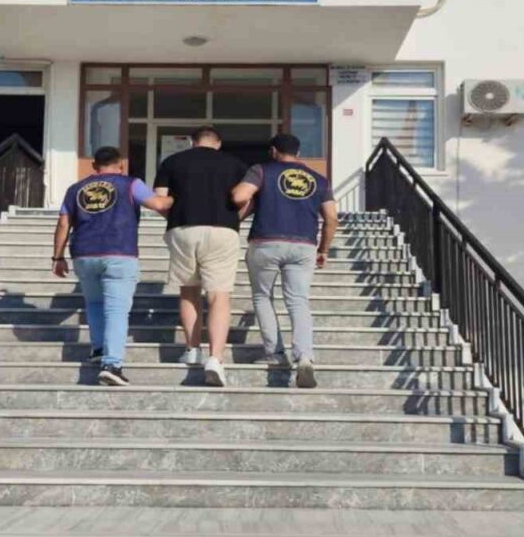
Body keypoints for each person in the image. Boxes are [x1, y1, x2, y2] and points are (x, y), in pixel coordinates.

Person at [52, 146, 171, 386]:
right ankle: (112, 364)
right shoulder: (130, 184)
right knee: (116, 310)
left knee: (95, 304)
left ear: (94, 166)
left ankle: (98, 349)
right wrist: (178, 195)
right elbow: (159, 204)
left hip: (84, 253)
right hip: (119, 252)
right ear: (121, 165)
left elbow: (64, 223)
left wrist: (57, 257)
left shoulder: (75, 189)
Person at [231, 134, 338, 389]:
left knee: (262, 297)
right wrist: (324, 249)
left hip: (266, 241)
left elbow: (239, 197)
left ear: (273, 151)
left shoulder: (261, 171)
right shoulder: (319, 179)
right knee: (298, 301)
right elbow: (332, 218)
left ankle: (276, 353)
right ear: (298, 153)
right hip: (304, 245)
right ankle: (304, 357)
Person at [152, 126, 249, 387]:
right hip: (223, 230)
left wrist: (175, 217)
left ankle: (192, 349)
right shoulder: (236, 164)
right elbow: (246, 198)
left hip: (183, 229)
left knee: (188, 291)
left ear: (192, 143)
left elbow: (159, 199)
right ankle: (215, 358)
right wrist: (236, 219)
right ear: (218, 143)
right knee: (219, 295)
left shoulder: (172, 161)